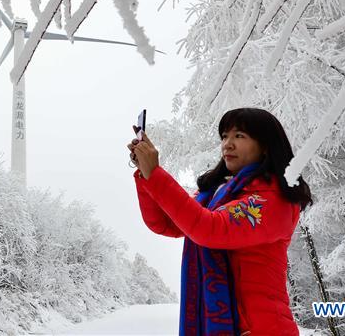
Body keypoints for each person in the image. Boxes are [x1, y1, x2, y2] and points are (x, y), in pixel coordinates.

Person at [128, 107, 312, 336]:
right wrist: (146, 175)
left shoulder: (273, 199)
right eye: (225, 136)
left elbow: (209, 229)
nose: (228, 143)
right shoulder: (217, 194)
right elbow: (164, 223)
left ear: (265, 145)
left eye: (239, 136)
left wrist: (155, 174)